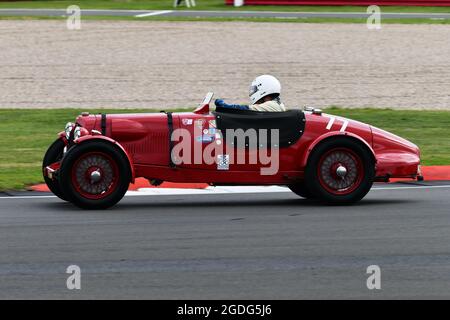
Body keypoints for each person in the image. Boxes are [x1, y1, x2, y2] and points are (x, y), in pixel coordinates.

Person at [215, 75, 286, 112]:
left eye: (254, 90)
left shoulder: (272, 105)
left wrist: (225, 106)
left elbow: (244, 109)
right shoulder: (276, 104)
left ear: (264, 89)